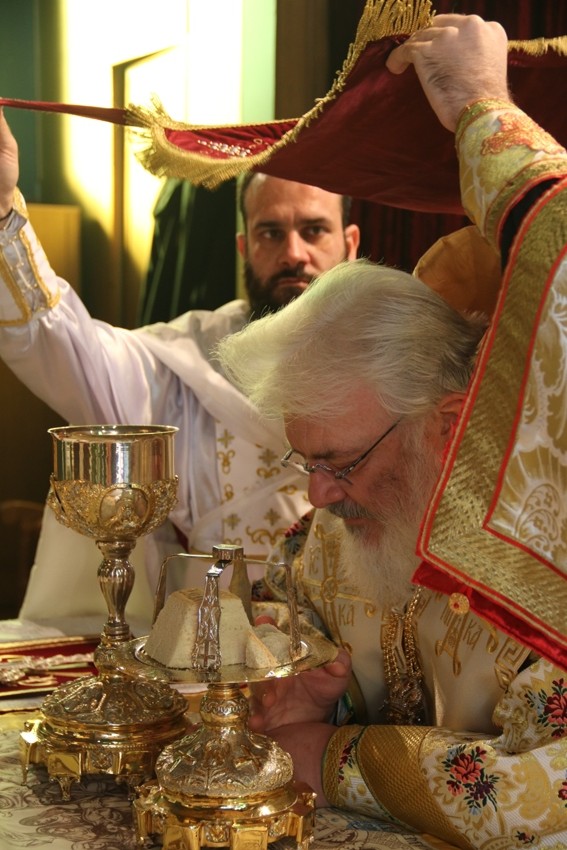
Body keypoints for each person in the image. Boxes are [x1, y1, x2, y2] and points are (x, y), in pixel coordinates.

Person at [215, 14, 567, 847]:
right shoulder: (335, 531)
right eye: (305, 460)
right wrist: (306, 683)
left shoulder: (542, 550)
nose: (315, 495)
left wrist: (330, 757)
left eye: (338, 462)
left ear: (447, 425)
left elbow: (544, 797)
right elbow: (282, 616)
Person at [0, 122, 360, 626]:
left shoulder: (392, 363)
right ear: (244, 247)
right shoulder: (186, 361)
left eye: (314, 230)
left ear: (349, 243)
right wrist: (3, 212)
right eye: (271, 233)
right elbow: (65, 349)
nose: (294, 253)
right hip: (211, 652)